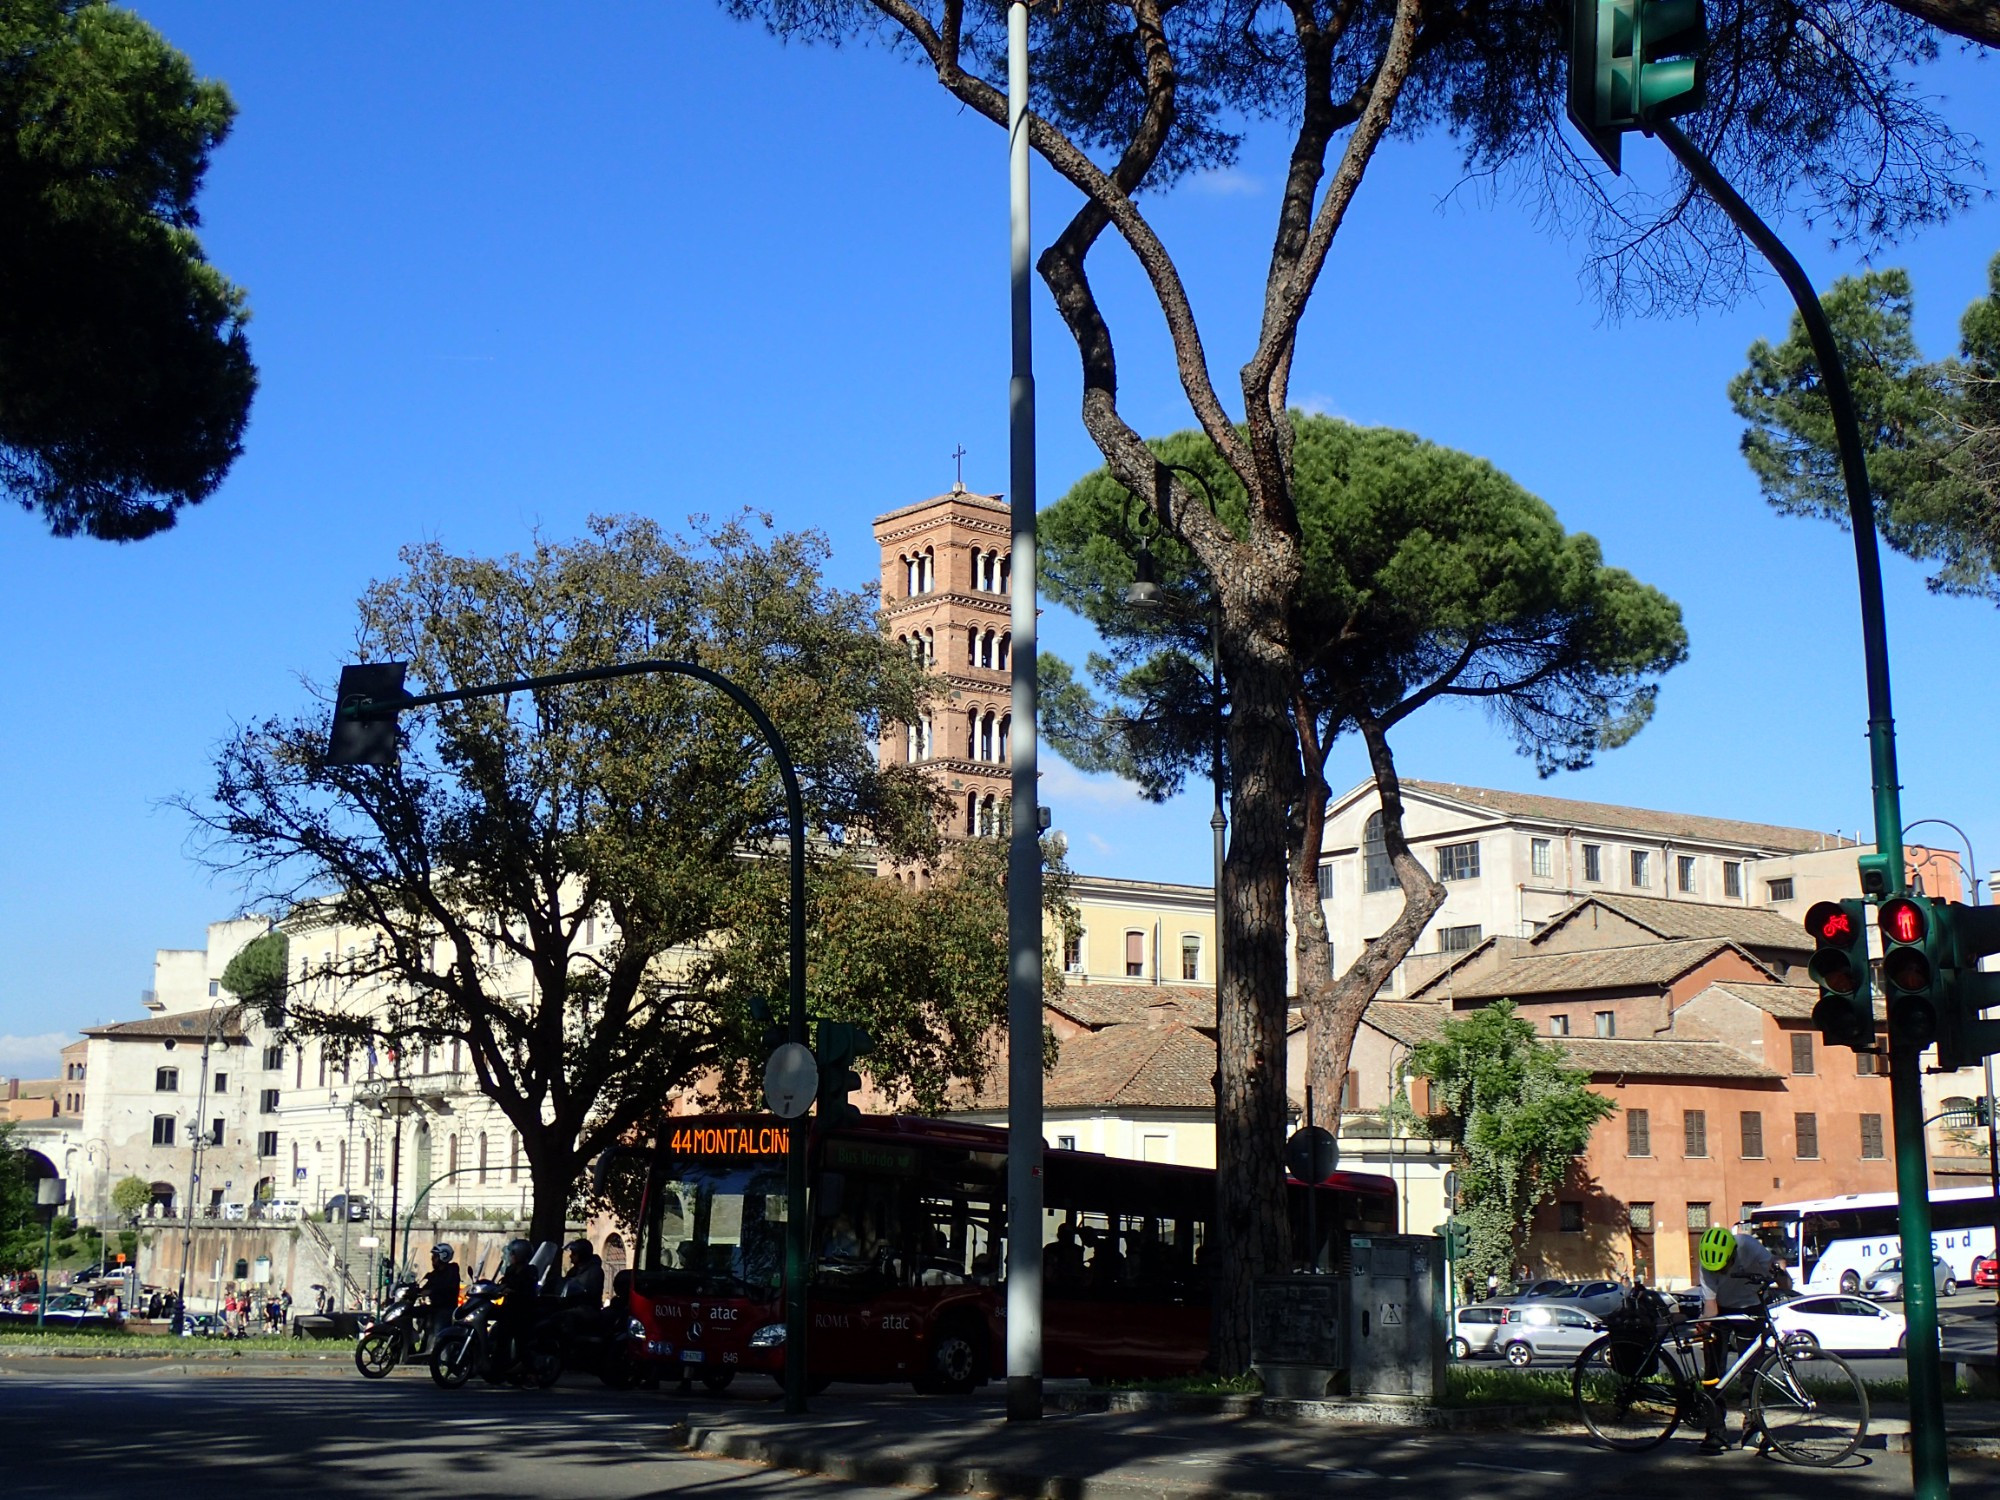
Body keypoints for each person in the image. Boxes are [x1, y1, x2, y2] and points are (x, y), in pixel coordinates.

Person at [1695, 1223, 1793, 1455]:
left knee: (1752, 1372)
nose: (1719, 1273)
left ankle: (1752, 1429)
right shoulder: (1706, 1263)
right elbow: (1711, 1306)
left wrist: (1782, 1276)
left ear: (1733, 1254)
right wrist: (1705, 1322)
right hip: (1722, 1309)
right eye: (1715, 1269)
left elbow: (1778, 1273)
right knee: (1714, 1373)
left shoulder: (1748, 1246)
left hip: (1751, 1307)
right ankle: (1715, 1430)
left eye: (1724, 1266)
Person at [419, 1243, 462, 1348]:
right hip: (434, 1307)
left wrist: (431, 1291)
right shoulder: (434, 1274)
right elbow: (426, 1286)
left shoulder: (452, 1271)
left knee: (439, 1331)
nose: (432, 1259)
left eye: (435, 1256)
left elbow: (446, 1286)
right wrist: (414, 1290)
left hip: (445, 1308)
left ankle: (440, 1354)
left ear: (443, 1256)